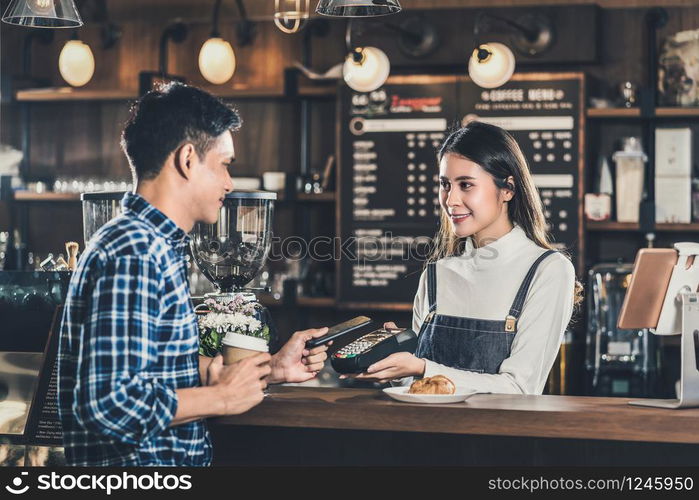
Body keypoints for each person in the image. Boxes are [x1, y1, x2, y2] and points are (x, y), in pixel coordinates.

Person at [57, 83, 330, 466]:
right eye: (224, 164)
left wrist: (271, 369)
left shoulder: (151, 244)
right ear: (188, 159)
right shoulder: (134, 250)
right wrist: (220, 399)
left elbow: (163, 371)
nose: (229, 183)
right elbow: (107, 406)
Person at [347, 121, 581, 394]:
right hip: (425, 433)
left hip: (500, 435)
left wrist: (421, 367)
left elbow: (519, 387)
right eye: (445, 184)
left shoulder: (548, 270)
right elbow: (418, 388)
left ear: (507, 189)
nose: (451, 200)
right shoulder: (437, 273)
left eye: (466, 185)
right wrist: (393, 367)